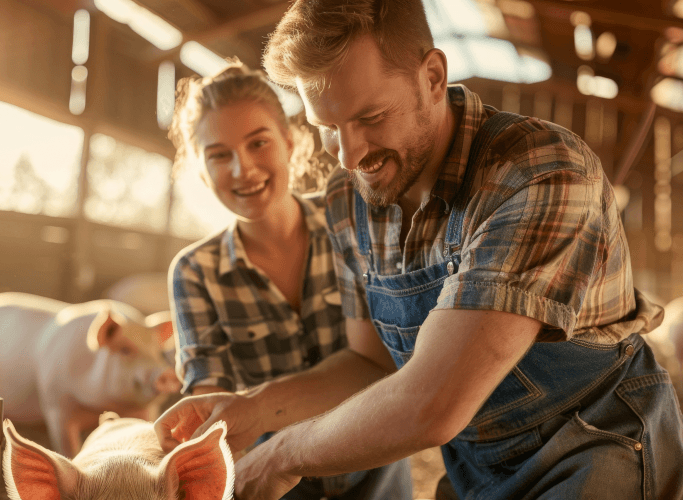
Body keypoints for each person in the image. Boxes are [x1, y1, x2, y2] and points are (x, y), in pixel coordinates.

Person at [156, 2, 683, 499]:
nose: (349, 155)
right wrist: (252, 409)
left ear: (432, 76)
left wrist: (281, 456)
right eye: (328, 129)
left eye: (370, 117)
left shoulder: (539, 173)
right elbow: (372, 361)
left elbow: (433, 404)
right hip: (475, 465)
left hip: (592, 445)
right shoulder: (349, 198)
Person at [165, 62, 413, 499]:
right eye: (219, 155)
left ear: (291, 143)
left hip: (376, 469)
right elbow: (211, 404)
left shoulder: (353, 218)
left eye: (258, 142)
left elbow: (381, 364)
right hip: (270, 483)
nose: (243, 169)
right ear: (201, 171)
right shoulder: (194, 272)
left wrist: (252, 409)